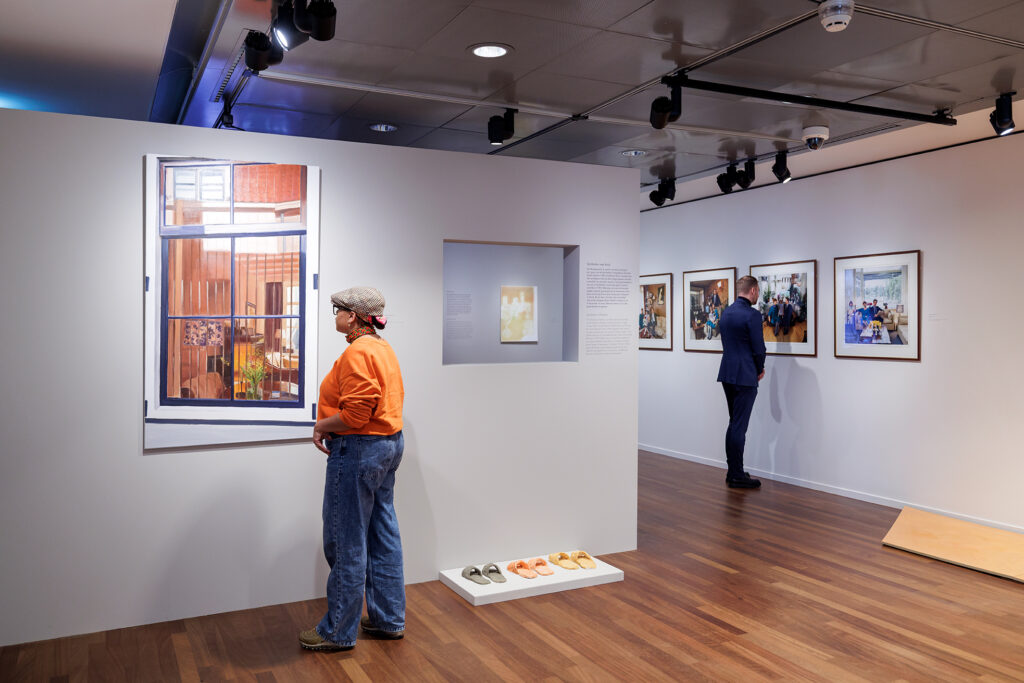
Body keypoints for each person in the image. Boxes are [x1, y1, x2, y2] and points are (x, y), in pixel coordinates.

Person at [300, 287, 407, 652]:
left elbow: (357, 415)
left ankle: (337, 631)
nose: (336, 315)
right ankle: (387, 619)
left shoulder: (359, 351)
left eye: (339, 310)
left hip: (361, 448)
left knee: (346, 539)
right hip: (388, 445)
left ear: (355, 317)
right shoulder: (382, 348)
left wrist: (322, 426)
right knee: (382, 532)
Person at [717, 275, 766, 489]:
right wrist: (759, 368)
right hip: (746, 375)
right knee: (739, 425)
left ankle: (733, 470)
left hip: (727, 373)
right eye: (758, 292)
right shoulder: (752, 315)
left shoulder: (726, 313)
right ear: (753, 290)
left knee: (733, 423)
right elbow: (759, 349)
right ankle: (736, 474)